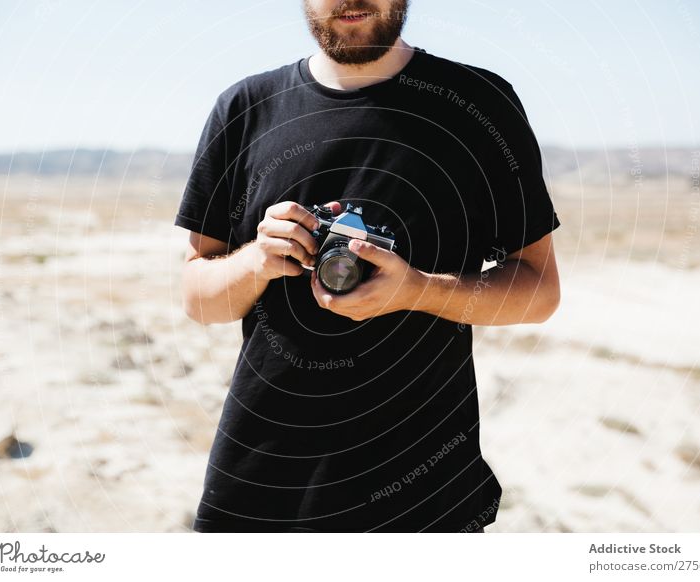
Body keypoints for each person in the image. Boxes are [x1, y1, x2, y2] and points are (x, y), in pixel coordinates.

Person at [174, 0, 561, 533]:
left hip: (424, 490)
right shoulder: (244, 109)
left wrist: (416, 289)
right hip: (261, 483)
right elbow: (197, 298)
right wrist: (257, 261)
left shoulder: (477, 105)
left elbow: (539, 292)